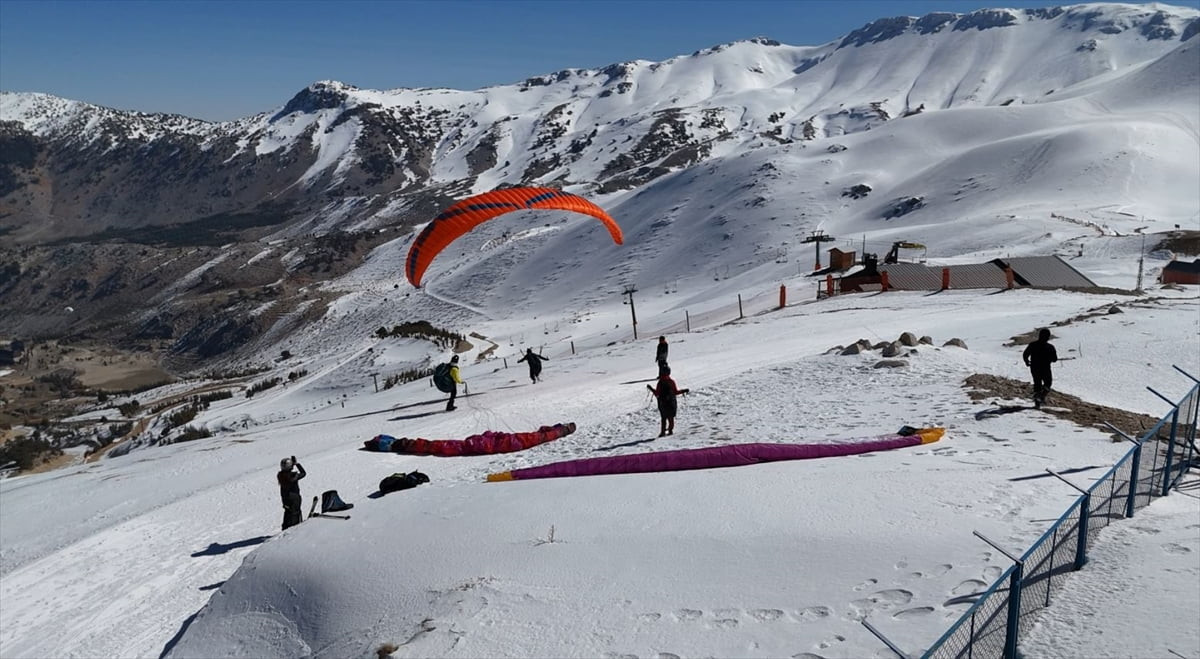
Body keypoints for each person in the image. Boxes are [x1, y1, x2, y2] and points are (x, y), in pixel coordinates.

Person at [647, 365, 689, 437]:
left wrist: (650, 388)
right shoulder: (671, 381)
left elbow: (657, 393)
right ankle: (670, 430)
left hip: (662, 403)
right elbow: (676, 392)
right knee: (671, 417)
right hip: (671, 402)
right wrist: (683, 391)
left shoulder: (660, 382)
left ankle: (662, 432)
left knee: (663, 418)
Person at [1022, 328, 1058, 408]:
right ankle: (1041, 397)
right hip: (1046, 368)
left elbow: (1025, 354)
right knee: (1048, 383)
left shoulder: (1033, 345)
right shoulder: (1050, 347)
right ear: (1048, 337)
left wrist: (1027, 362)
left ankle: (1037, 402)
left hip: (1035, 367)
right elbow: (1055, 359)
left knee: (1037, 383)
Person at [277, 455, 307, 530]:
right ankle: (294, 529)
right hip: (294, 498)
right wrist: (297, 464)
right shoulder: (293, 476)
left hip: (285, 498)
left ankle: (285, 528)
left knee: (287, 512)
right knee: (295, 513)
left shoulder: (281, 475)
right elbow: (303, 473)